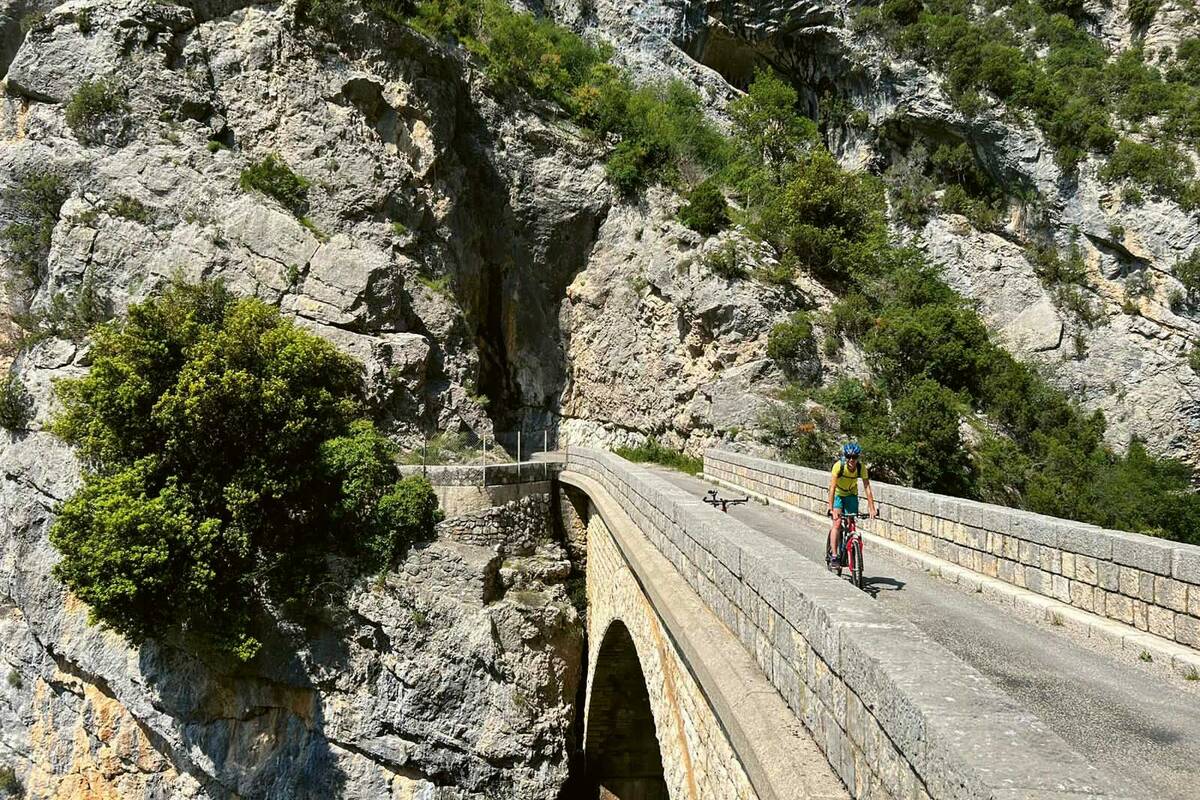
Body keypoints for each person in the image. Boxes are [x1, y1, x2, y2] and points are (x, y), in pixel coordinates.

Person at [827, 442, 876, 570]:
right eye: (848, 457)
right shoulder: (838, 466)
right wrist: (831, 509)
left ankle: (851, 547)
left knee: (851, 521)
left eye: (854, 457)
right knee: (837, 523)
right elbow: (832, 488)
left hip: (851, 494)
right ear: (845, 456)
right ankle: (834, 556)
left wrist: (871, 508)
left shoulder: (861, 468)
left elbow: (867, 487)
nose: (851, 460)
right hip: (838, 494)